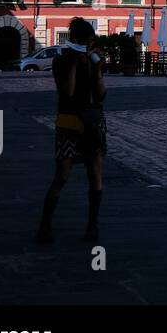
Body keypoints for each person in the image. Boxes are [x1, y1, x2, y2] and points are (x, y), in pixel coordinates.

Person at [36, 18, 108, 244]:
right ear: (75, 41)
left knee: (94, 172)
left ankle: (92, 225)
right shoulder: (61, 61)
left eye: (90, 42)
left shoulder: (92, 61)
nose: (88, 45)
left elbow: (101, 95)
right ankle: (45, 226)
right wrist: (76, 65)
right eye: (85, 41)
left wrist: (96, 70)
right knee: (63, 174)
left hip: (93, 121)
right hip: (69, 122)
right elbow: (67, 92)